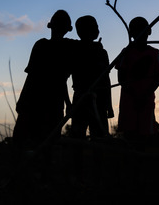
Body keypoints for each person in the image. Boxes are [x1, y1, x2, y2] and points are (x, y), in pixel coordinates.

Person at [13, 9, 74, 148]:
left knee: (46, 141)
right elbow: (32, 76)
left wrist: (68, 103)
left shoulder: (68, 47)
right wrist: (23, 100)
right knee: (29, 141)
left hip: (51, 102)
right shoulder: (43, 45)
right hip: (35, 100)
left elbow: (60, 79)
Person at [115, 17, 159, 142]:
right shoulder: (125, 53)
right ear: (131, 33)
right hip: (129, 101)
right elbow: (121, 78)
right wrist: (135, 95)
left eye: (141, 30)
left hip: (146, 101)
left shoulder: (155, 53)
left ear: (149, 32)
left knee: (145, 135)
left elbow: (157, 79)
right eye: (135, 30)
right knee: (129, 135)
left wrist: (143, 96)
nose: (139, 33)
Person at [70, 15, 114, 139]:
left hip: (99, 99)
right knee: (77, 137)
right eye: (94, 27)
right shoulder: (75, 49)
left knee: (100, 138)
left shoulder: (101, 52)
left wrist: (109, 105)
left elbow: (106, 79)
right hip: (81, 97)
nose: (97, 30)